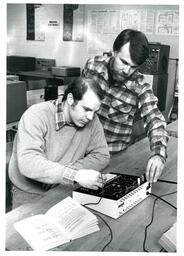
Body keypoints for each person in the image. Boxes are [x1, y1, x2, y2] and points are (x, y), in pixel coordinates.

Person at [82, 29, 168, 183]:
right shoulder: (92, 66)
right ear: (114, 51)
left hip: (113, 158)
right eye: (124, 62)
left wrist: (158, 154)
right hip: (82, 151)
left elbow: (155, 120)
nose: (127, 71)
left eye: (134, 67)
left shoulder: (140, 86)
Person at [9, 77, 110, 208]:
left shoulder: (91, 119)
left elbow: (102, 156)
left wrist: (67, 173)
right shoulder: (36, 115)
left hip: (64, 187)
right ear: (70, 99)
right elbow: (29, 162)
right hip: (30, 194)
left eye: (94, 111)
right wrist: (73, 175)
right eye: (86, 109)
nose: (91, 117)